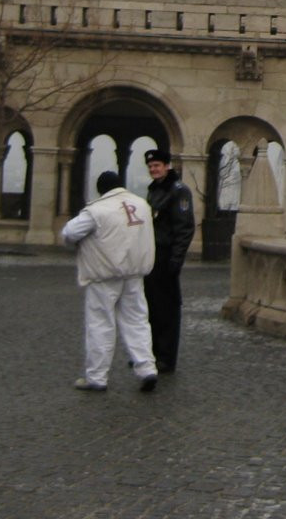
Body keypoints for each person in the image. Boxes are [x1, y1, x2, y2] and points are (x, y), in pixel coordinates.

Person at [60, 169, 158, 392]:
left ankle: (97, 377)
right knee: (138, 322)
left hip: (104, 275)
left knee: (100, 324)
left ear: (101, 189)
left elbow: (69, 233)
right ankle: (147, 368)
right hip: (135, 275)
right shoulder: (142, 204)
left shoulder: (97, 210)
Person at [143, 148, 195, 373]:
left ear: (167, 166)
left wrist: (176, 260)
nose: (154, 169)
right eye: (151, 166)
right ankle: (153, 354)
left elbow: (184, 228)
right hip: (152, 256)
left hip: (166, 256)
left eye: (157, 165)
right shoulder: (155, 190)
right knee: (152, 307)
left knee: (167, 309)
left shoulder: (179, 191)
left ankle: (166, 357)